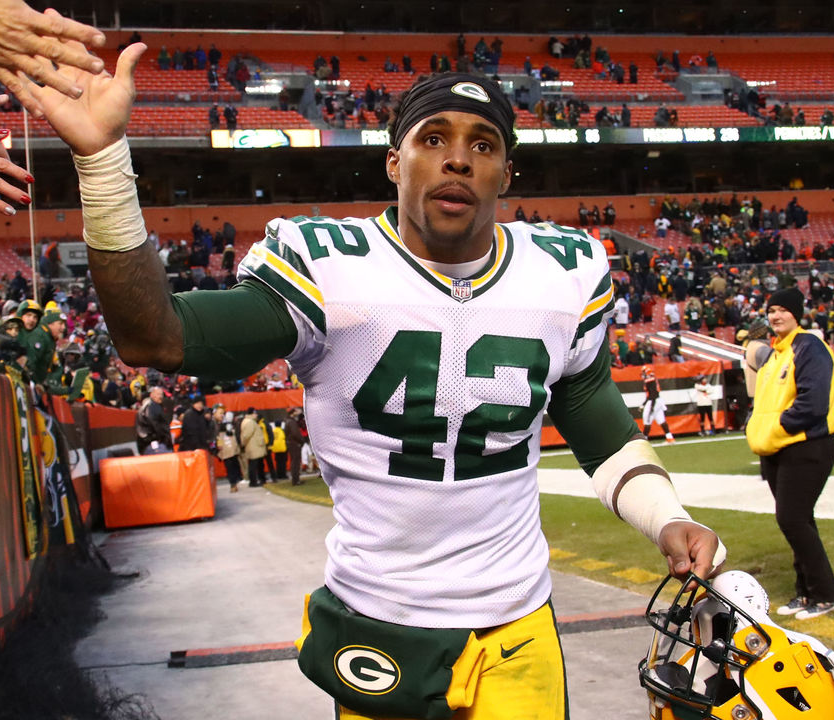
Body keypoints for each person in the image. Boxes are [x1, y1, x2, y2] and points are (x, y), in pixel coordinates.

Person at [42, 59, 723, 720]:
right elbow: (155, 338)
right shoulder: (329, 266)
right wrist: (102, 163)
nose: (458, 160)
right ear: (394, 163)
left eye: (482, 145)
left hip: (517, 622)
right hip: (381, 625)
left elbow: (593, 418)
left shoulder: (562, 272)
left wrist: (666, 516)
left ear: (506, 174)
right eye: (434, 139)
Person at [746, 287, 834, 620]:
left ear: (796, 313)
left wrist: (776, 427)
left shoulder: (809, 346)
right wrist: (756, 427)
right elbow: (763, 403)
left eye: (782, 310)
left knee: (791, 519)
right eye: (771, 310)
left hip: (806, 445)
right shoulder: (774, 354)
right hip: (777, 449)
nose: (776, 316)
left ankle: (826, 594)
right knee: (800, 520)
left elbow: (813, 402)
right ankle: (806, 591)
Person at [639, 366, 674, 443]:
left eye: (643, 372)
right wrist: (643, 404)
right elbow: (651, 394)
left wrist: (652, 406)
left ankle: (644, 440)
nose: (642, 374)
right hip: (657, 401)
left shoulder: (650, 380)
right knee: (661, 420)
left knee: (647, 420)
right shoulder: (653, 379)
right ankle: (670, 438)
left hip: (653, 401)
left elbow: (653, 394)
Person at [135, 386, 170, 454]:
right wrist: (164, 438)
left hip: (146, 442)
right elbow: (155, 425)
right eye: (158, 394)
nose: (160, 396)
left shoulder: (148, 406)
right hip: (152, 442)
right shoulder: (152, 406)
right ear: (151, 395)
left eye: (161, 394)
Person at [239, 407, 267, 486]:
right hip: (254, 446)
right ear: (251, 414)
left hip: (254, 446)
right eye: (255, 413)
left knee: (257, 464)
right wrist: (243, 444)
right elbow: (246, 435)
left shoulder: (249, 421)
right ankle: (253, 482)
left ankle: (259, 479)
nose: (256, 415)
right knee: (254, 465)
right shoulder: (250, 422)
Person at [284, 408, 306, 485]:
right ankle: (296, 480)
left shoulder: (288, 421)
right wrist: (301, 441)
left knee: (294, 461)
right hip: (294, 444)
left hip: (291, 443)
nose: (297, 412)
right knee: (296, 462)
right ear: (292, 413)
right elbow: (295, 434)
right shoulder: (291, 422)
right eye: (295, 411)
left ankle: (295, 479)